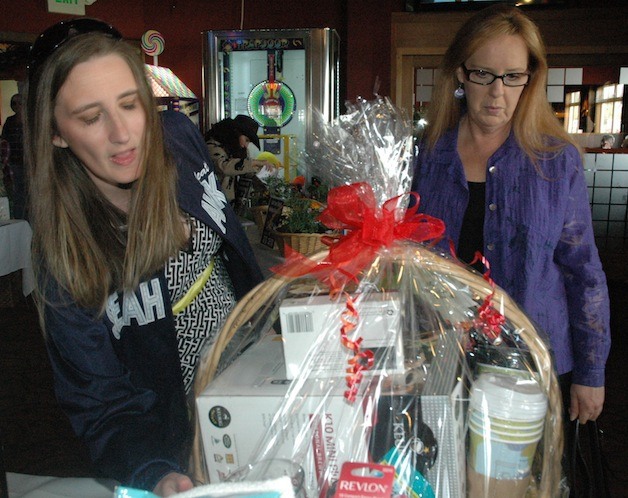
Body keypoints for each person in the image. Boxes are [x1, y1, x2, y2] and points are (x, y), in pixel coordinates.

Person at [24, 19, 263, 496]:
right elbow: (100, 403)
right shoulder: (66, 253)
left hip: (260, 391)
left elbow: (234, 249)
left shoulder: (177, 133)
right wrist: (153, 470)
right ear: (56, 134)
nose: (123, 134)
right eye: (91, 118)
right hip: (177, 444)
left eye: (130, 105)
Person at [411, 4, 610, 434]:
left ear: (530, 78)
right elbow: (406, 261)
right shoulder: (426, 157)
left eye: (512, 76)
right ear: (461, 74)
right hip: (443, 360)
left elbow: (583, 272)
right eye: (483, 73)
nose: (497, 92)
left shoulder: (557, 163)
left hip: (533, 365)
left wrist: (591, 372)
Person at [204, 114, 276, 202]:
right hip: (213, 203)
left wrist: (263, 188)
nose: (245, 145)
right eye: (246, 140)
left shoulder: (236, 150)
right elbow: (224, 167)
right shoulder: (212, 146)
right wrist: (254, 163)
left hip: (229, 203)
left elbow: (246, 172)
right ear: (236, 133)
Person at [1, 93, 25, 218]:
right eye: (14, 103)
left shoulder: (29, 121)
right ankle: (19, 219)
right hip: (14, 163)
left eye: (19, 103)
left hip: (30, 164)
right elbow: (4, 140)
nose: (16, 106)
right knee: (18, 194)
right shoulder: (10, 121)